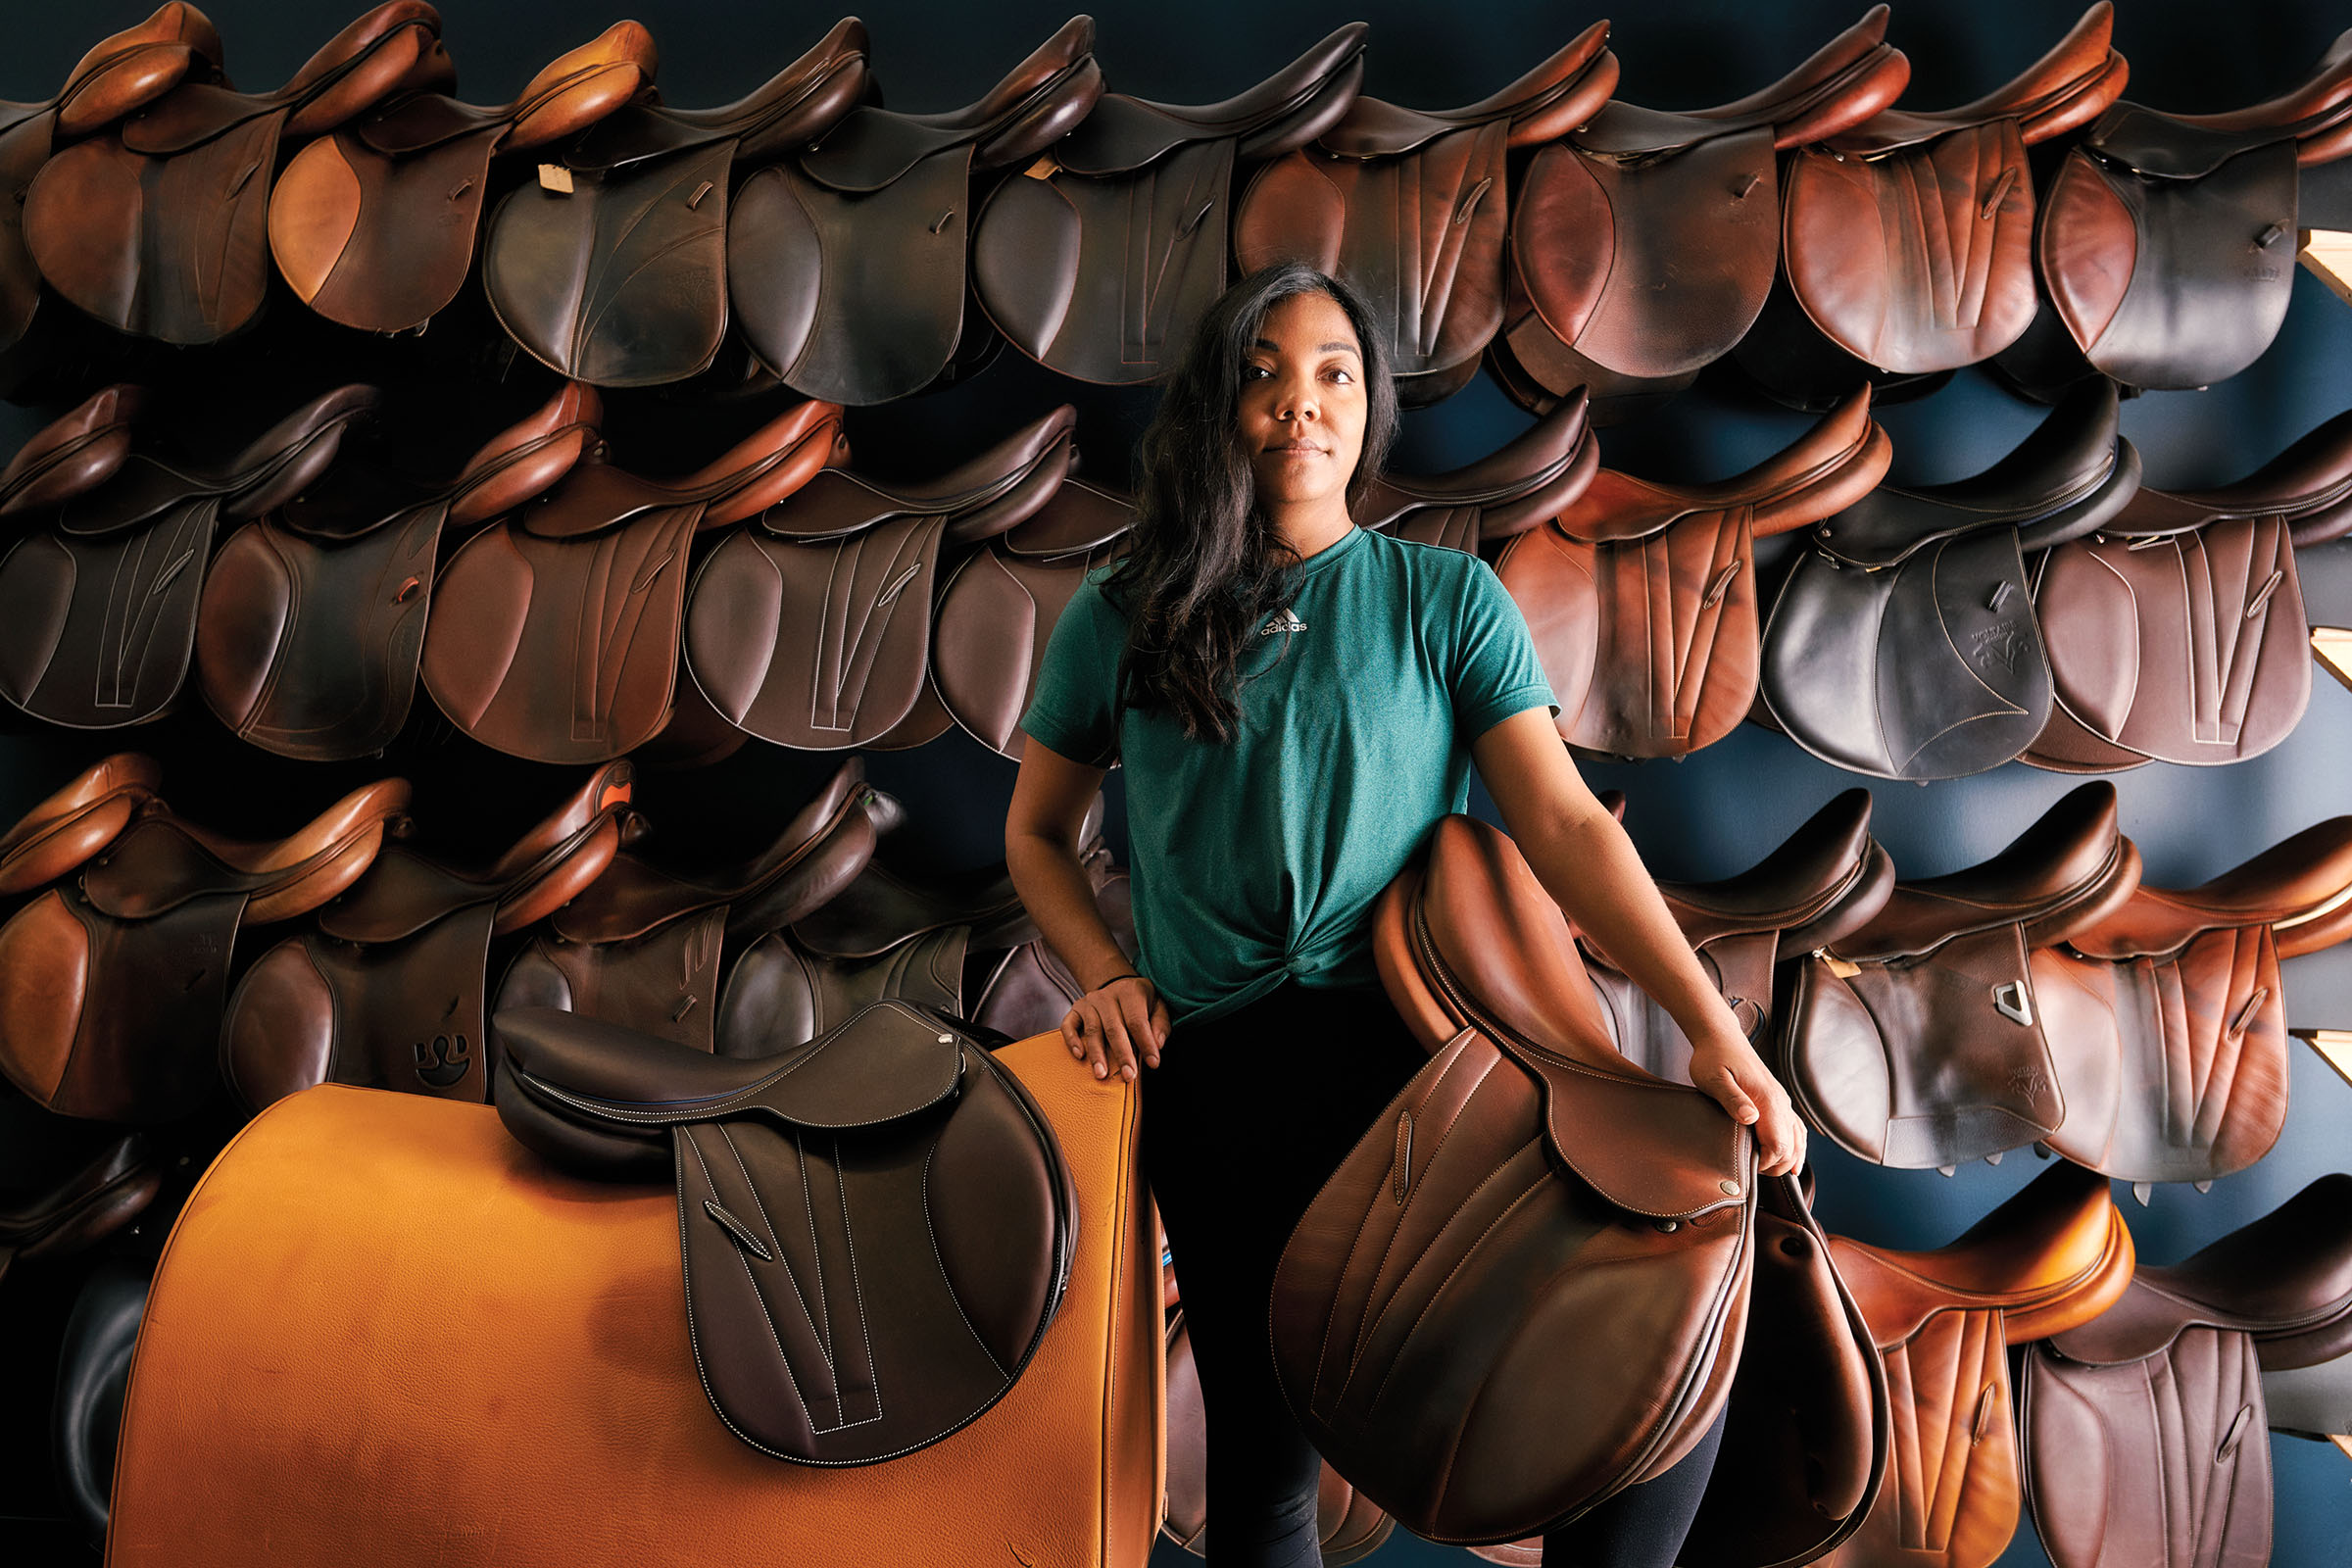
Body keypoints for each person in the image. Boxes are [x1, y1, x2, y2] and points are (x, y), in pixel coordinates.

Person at [1003, 264, 1807, 1568]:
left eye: (1333, 372)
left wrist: (1711, 1026)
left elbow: (1561, 828)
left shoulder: (1447, 602)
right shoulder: (1121, 611)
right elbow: (1037, 837)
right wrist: (1101, 968)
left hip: (1425, 1070)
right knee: (1263, 1480)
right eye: (1261, 372)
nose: (1297, 404)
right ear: (1218, 405)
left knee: (1644, 1371)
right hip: (1217, 1084)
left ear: (1370, 409)